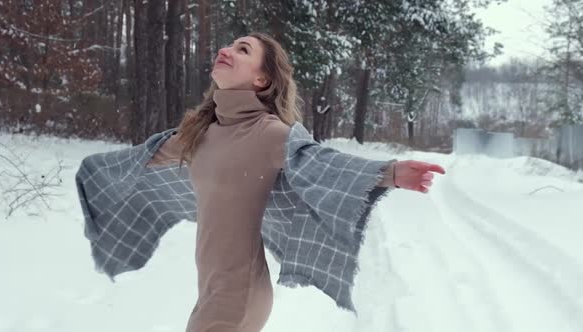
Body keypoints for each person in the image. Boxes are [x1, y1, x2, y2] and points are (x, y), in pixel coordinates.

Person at [145, 32, 446, 332]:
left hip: (238, 295)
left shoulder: (267, 132)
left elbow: (323, 163)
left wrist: (390, 172)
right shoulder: (202, 133)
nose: (227, 50)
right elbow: (142, 159)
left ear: (261, 79)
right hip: (210, 290)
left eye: (243, 49)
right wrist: (97, 174)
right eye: (229, 44)